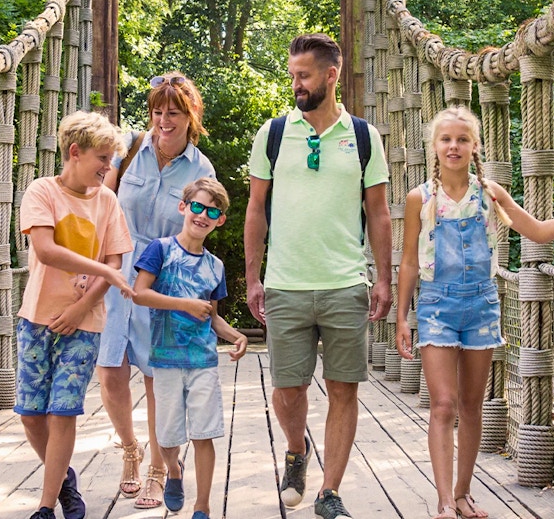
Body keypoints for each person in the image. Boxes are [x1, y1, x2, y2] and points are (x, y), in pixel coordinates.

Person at [395, 106, 554, 519]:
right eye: (445, 139)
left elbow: (539, 231)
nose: (453, 146)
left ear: (474, 145)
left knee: (473, 404)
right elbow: (407, 262)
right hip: (437, 304)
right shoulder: (420, 198)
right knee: (443, 405)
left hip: (482, 305)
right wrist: (403, 317)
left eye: (461, 139)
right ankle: (442, 500)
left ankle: (462, 494)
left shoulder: (490, 194)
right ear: (434, 147)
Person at [244, 33, 393, 519]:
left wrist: (384, 279)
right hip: (285, 284)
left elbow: (380, 215)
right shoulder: (272, 134)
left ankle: (329, 491)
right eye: (292, 75)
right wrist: (252, 277)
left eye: (303, 75)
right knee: (288, 389)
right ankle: (296, 451)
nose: (296, 85)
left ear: (332, 75)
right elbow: (255, 209)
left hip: (345, 283)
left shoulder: (365, 138)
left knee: (344, 388)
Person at [99, 71, 216, 509]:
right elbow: (101, 203)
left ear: (190, 117)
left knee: (155, 379)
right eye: (157, 111)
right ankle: (131, 451)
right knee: (110, 370)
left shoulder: (201, 169)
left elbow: (198, 230)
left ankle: (158, 471)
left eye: (173, 113)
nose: (163, 121)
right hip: (116, 267)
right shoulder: (127, 148)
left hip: (163, 278)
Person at [17, 110, 134, 519]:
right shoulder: (42, 192)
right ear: (74, 152)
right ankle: (64, 479)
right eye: (102, 158)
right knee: (31, 416)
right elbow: (45, 250)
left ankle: (47, 507)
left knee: (62, 410)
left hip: (85, 323)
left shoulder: (107, 200)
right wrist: (102, 268)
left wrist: (83, 305)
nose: (108, 166)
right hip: (37, 317)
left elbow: (116, 256)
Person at [128, 177, 248, 519]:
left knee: (204, 434)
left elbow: (211, 316)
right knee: (167, 437)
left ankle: (203, 507)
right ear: (183, 207)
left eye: (212, 211)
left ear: (220, 220)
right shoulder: (160, 249)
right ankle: (174, 472)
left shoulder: (215, 266)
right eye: (197, 206)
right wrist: (183, 304)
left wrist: (234, 335)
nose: (202, 215)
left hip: (203, 361)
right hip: (165, 359)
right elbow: (140, 293)